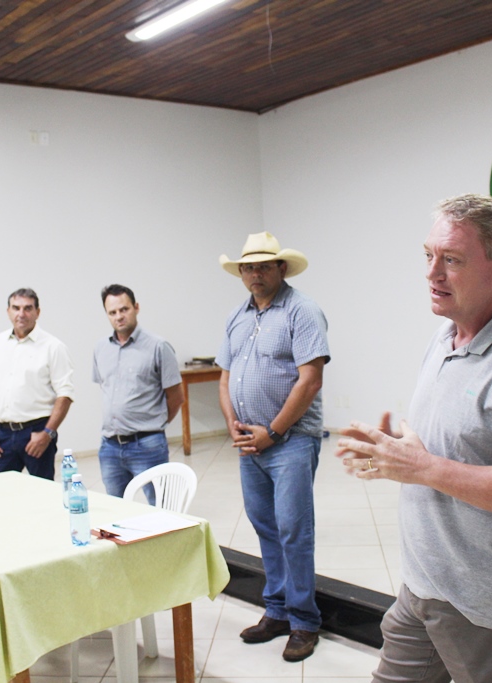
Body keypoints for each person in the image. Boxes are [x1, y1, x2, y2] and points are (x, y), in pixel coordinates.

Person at [337, 194, 492, 683]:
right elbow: (447, 450)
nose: (432, 273)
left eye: (451, 260)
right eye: (428, 256)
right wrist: (394, 452)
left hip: (487, 608)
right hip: (423, 587)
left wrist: (422, 468)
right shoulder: (444, 339)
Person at [217, 232, 330, 662]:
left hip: (290, 442)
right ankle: (278, 609)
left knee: (293, 531)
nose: (256, 273)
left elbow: (310, 380)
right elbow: (226, 378)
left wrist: (275, 432)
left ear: (281, 268)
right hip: (250, 444)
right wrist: (232, 422)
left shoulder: (303, 311)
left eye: (265, 265)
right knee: (266, 527)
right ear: (241, 272)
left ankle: (304, 622)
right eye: (249, 266)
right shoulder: (237, 317)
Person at [93, 284, 184, 505]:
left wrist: (154, 425)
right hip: (110, 447)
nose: (119, 317)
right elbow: (105, 390)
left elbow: (175, 396)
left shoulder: (158, 347)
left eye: (124, 309)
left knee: (161, 509)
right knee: (116, 510)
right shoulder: (100, 349)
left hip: (147, 445)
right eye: (112, 312)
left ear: (136, 307)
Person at [0, 288, 74, 480]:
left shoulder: (53, 347)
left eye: (28, 308)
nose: (21, 314)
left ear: (38, 312)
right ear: (8, 311)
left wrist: (48, 432)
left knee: (42, 495)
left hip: (36, 433)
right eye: (16, 308)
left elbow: (65, 394)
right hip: (2, 435)